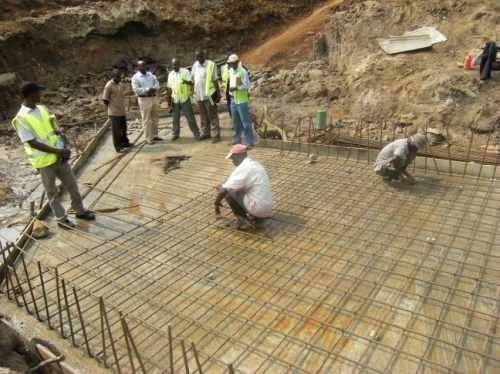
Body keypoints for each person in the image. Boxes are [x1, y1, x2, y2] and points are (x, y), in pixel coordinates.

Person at [12, 82, 96, 229]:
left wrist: (64, 144)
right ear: (31, 95)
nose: (40, 95)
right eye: (38, 93)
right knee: (52, 192)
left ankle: (80, 211)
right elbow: (32, 143)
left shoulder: (42, 109)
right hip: (44, 162)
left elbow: (55, 130)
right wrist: (59, 151)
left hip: (59, 156)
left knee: (72, 185)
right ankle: (62, 218)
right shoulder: (21, 118)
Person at [214, 144, 272, 229]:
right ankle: (258, 217)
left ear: (238, 156)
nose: (233, 162)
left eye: (233, 158)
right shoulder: (255, 164)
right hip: (266, 207)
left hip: (257, 208)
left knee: (226, 187)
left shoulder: (243, 169)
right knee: (231, 185)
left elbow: (223, 190)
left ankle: (242, 219)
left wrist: (216, 203)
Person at [166, 58, 201, 141]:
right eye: (174, 64)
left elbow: (192, 83)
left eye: (177, 64)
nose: (175, 66)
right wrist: (168, 100)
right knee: (175, 118)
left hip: (184, 98)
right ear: (172, 65)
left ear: (179, 64)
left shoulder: (185, 72)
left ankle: (196, 133)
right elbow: (169, 88)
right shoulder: (170, 74)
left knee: (190, 117)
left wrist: (186, 82)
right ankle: (175, 134)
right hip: (175, 99)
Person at [191, 49, 222, 143]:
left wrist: (218, 93)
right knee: (203, 115)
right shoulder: (195, 65)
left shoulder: (211, 65)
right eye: (197, 56)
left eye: (201, 56)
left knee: (212, 114)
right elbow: (193, 79)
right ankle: (205, 133)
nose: (199, 58)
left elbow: (215, 81)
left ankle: (216, 134)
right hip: (199, 95)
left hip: (209, 95)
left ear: (204, 55)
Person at [131, 60, 162, 145]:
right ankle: (148, 138)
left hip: (153, 98)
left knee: (155, 117)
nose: (143, 67)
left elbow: (157, 84)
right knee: (146, 119)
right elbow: (136, 89)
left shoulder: (151, 75)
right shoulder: (135, 78)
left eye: (144, 66)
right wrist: (148, 90)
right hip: (144, 99)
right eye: (141, 66)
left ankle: (155, 135)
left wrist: (154, 89)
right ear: (138, 67)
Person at [227, 54, 254, 148]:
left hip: (241, 100)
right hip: (233, 99)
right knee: (235, 121)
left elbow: (246, 85)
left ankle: (250, 141)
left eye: (234, 63)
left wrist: (236, 88)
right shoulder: (230, 71)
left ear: (237, 62)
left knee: (245, 122)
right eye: (231, 63)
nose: (232, 65)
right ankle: (236, 139)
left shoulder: (242, 71)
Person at [103, 69, 131, 153]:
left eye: (120, 77)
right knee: (116, 131)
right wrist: (112, 106)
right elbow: (105, 99)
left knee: (123, 128)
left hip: (121, 110)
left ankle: (125, 142)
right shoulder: (109, 85)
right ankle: (118, 146)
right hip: (114, 111)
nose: (119, 78)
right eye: (118, 77)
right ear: (113, 76)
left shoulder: (119, 84)